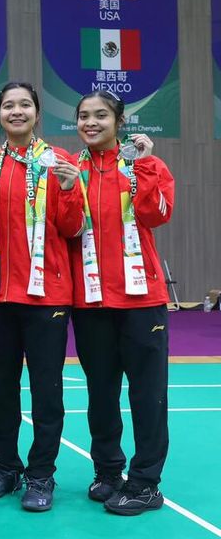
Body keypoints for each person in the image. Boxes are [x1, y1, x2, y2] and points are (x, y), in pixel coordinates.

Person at [0, 83, 84, 512]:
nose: (16, 112)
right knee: (0, 388)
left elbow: (74, 230)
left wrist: (72, 190)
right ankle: (6, 465)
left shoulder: (62, 163)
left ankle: (41, 473)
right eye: (8, 105)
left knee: (46, 390)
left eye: (24, 105)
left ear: (37, 114)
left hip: (47, 297)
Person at [69, 90, 173, 516]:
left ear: (119, 119)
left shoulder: (143, 165)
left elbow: (156, 214)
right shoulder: (70, 170)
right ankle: (108, 471)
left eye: (100, 115)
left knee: (147, 395)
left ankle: (146, 482)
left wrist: (145, 164)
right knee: (101, 393)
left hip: (141, 299)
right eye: (83, 116)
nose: (91, 123)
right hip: (90, 301)